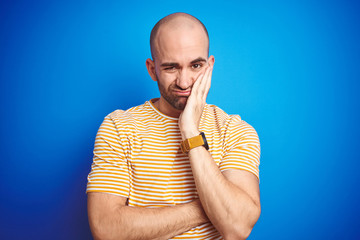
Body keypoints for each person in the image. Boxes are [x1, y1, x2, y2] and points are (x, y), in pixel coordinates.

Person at [86, 12, 261, 240]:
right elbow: (106, 229)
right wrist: (210, 208)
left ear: (210, 66)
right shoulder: (119, 127)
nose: (185, 82)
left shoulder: (234, 130)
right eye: (171, 68)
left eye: (196, 65)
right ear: (152, 69)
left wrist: (189, 130)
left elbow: (237, 228)